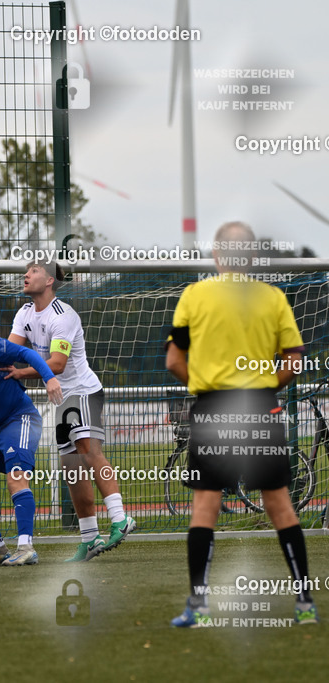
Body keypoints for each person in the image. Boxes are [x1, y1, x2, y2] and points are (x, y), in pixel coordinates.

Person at [165, 221, 318, 627]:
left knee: (205, 506)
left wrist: (205, 387)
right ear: (251, 257)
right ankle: (305, 605)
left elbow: (174, 362)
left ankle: (198, 607)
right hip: (259, 408)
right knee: (281, 506)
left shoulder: (195, 295)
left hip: (213, 409)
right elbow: (295, 360)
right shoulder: (272, 297)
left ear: (216, 255)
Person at [7, 261, 135, 561]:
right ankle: (90, 538)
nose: (26, 275)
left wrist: (19, 374)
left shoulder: (63, 316)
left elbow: (57, 364)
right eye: (26, 271)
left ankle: (120, 519)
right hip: (63, 398)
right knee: (71, 467)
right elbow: (8, 350)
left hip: (83, 391)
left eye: (34, 271)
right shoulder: (24, 313)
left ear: (50, 280)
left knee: (88, 452)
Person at [0, 331, 62, 566]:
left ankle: (26, 548)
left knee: (16, 479)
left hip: (20, 419)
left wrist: (49, 378)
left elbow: (25, 352)